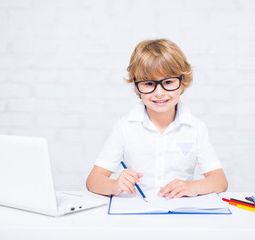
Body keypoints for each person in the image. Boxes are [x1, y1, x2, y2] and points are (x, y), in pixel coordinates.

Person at [86, 39, 228, 200]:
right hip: (136, 214)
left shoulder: (196, 128)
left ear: (182, 83)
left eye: (168, 82)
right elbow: (93, 181)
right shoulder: (125, 127)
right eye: (148, 83)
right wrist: (115, 185)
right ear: (136, 86)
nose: (159, 93)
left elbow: (220, 182)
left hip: (179, 214)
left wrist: (192, 187)